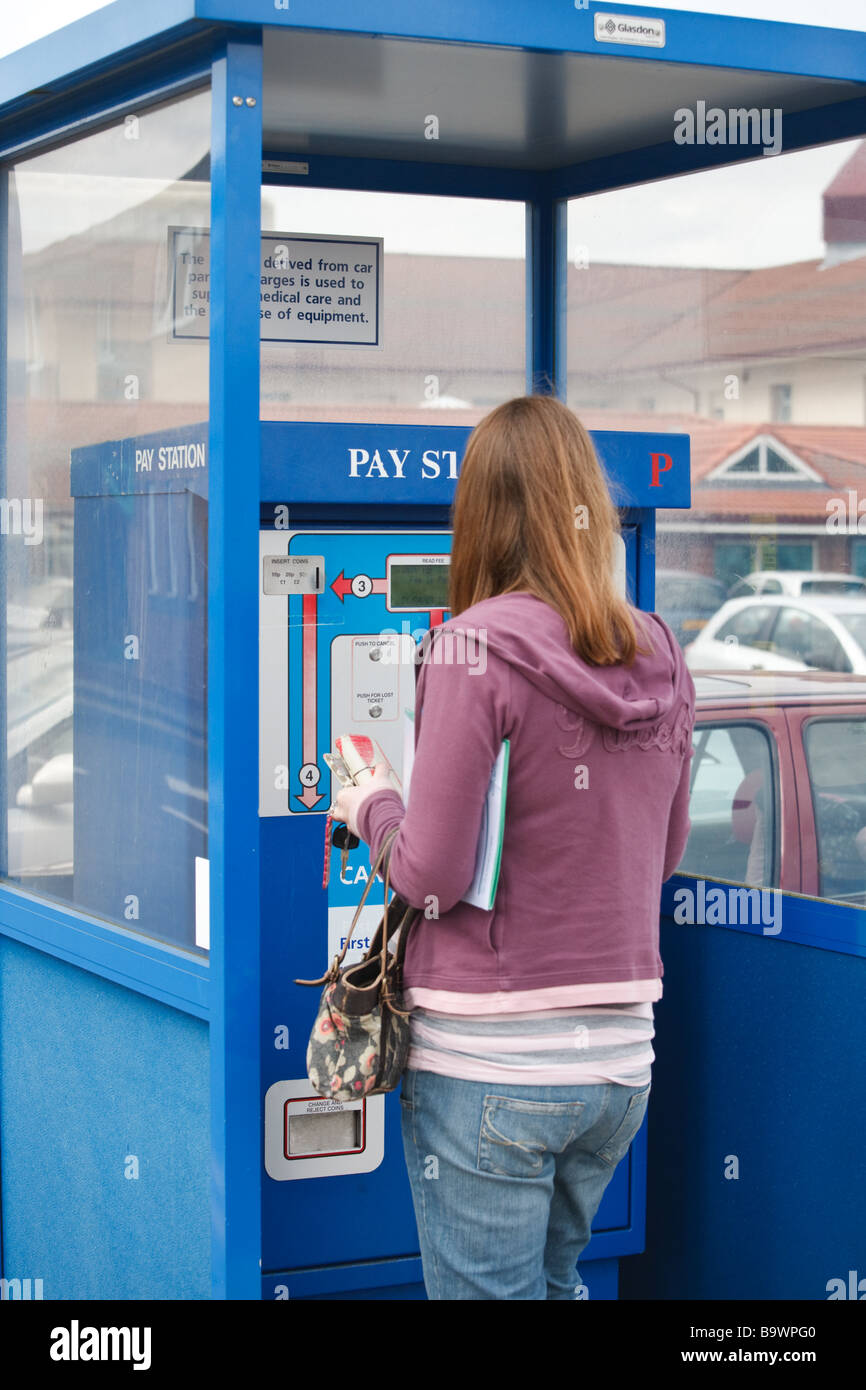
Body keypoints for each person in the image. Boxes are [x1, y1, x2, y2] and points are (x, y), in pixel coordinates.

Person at [334, 394, 696, 1301]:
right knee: (555, 1286)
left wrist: (370, 801)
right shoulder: (661, 652)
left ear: (483, 515)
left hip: (495, 1069)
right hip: (619, 1068)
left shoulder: (470, 649)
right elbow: (658, 859)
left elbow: (430, 877)